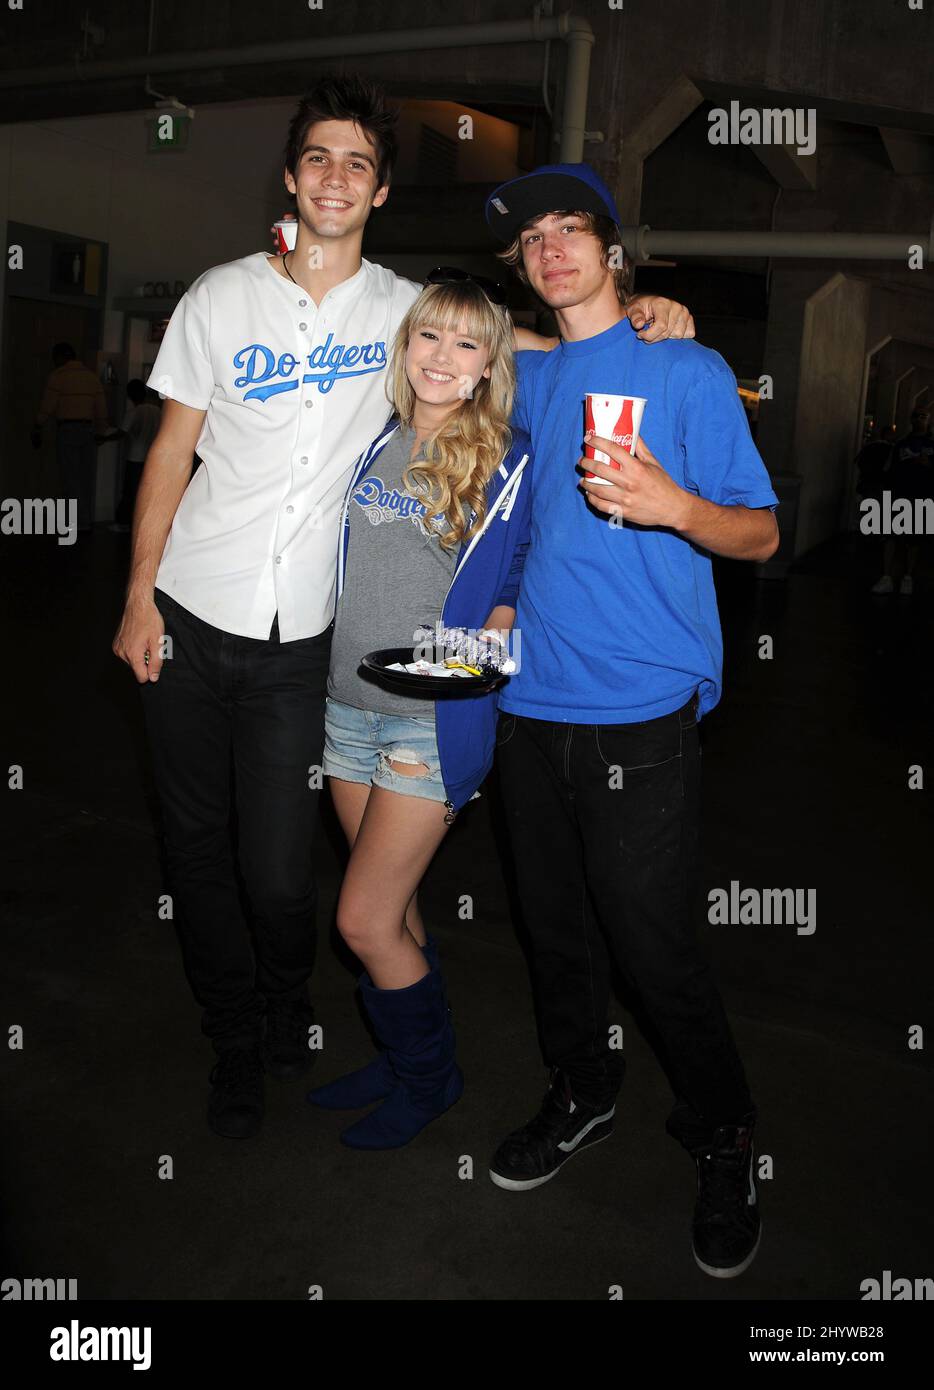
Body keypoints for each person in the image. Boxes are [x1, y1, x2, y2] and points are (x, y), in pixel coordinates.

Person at [111, 71, 695, 1142]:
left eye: (360, 164)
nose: (336, 179)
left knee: (319, 893)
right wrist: (137, 594)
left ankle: (363, 1046)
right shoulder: (227, 300)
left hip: (363, 678)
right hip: (243, 640)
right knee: (247, 866)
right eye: (319, 159)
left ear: (379, 192)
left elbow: (523, 350)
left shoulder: (411, 322)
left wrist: (645, 316)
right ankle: (312, 1050)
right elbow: (170, 449)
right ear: (291, 180)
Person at [483, 162, 780, 1280]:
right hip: (523, 701)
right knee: (554, 934)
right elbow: (423, 326)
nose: (552, 247)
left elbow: (758, 536)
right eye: (534, 238)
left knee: (653, 945)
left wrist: (677, 507)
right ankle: (583, 1089)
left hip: (639, 711)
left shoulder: (686, 366)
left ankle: (725, 1131)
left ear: (614, 251)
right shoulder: (524, 368)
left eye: (573, 229)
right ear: (521, 267)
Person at [305, 271, 530, 1149]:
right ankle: (404, 1059)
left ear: (485, 367)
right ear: (407, 348)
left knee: (359, 920)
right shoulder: (374, 440)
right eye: (429, 336)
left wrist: (470, 661)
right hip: (345, 712)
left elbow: (511, 590)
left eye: (466, 343)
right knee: (391, 915)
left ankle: (432, 1080)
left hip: (423, 727)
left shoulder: (505, 457)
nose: (443, 356)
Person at [33, 343, 108, 533]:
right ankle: (85, 519)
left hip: (67, 430)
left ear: (59, 357)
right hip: (88, 430)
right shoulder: (91, 378)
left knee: (70, 476)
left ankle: (74, 521)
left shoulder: (58, 377)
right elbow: (101, 408)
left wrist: (38, 424)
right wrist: (101, 430)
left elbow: (48, 405)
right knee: (85, 476)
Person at [870, 407, 932, 596]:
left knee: (914, 541)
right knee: (890, 537)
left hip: (922, 497)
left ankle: (908, 578)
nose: (919, 419)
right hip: (898, 496)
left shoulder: (932, 445)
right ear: (911, 419)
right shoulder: (899, 445)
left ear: (928, 420)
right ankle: (887, 577)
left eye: (924, 416)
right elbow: (887, 470)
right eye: (916, 416)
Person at [108, 381, 163, 533]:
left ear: (130, 395)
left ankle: (124, 523)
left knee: (130, 492)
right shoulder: (157, 410)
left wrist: (103, 439)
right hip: (151, 458)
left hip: (135, 457)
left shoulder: (134, 412)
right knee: (148, 493)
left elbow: (122, 432)